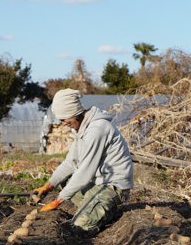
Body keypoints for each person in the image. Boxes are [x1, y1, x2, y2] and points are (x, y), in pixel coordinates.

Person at [33, 89, 134, 237]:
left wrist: (56, 202)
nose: (63, 123)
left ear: (74, 112)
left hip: (112, 186)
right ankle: (93, 206)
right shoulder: (82, 129)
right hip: (97, 183)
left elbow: (85, 172)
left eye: (64, 119)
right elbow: (70, 163)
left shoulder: (96, 130)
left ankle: (105, 210)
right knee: (65, 181)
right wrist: (47, 186)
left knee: (80, 227)